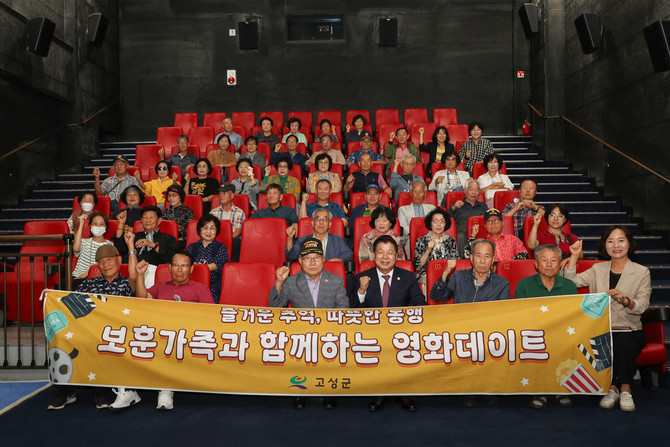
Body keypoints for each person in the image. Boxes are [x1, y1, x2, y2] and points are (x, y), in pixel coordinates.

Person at [564, 226, 651, 412]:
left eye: (621, 240)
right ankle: (612, 388)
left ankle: (624, 388)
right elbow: (570, 283)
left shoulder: (642, 272)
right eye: (610, 241)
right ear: (605, 245)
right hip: (601, 327)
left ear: (629, 243)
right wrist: (574, 257)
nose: (616, 245)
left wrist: (626, 300)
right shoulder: (597, 269)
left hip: (629, 328)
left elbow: (643, 305)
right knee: (603, 339)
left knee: (623, 342)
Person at [114, 251, 215, 412]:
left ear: (191, 268)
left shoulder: (200, 289)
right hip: (157, 333)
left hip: (185, 336)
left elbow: (211, 317)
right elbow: (142, 299)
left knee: (168, 342)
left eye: (184, 265)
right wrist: (140, 275)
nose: (179, 269)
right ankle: (128, 390)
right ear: (169, 267)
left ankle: (165, 390)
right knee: (125, 339)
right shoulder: (161, 286)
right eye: (176, 265)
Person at [48, 241, 137, 410]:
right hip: (89, 330)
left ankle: (101, 392)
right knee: (61, 339)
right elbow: (70, 304)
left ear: (118, 260)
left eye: (109, 260)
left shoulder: (127, 283)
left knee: (100, 342)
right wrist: (52, 297)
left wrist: (131, 247)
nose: (106, 264)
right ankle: (65, 391)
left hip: (117, 332)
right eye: (101, 262)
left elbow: (134, 278)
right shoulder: (89, 284)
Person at [270, 237, 348, 409]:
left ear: (324, 259)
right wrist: (279, 282)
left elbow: (343, 310)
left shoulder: (336, 281)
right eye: (307, 258)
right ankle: (300, 390)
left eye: (317, 257)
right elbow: (275, 309)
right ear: (300, 261)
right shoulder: (291, 282)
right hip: (301, 334)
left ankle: (328, 390)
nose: (312, 263)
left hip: (328, 333)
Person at [350, 235, 424, 412]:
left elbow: (420, 304)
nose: (385, 257)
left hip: (401, 330)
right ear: (373, 255)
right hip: (371, 331)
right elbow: (352, 310)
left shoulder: (408, 277)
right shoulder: (361, 277)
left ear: (396, 255)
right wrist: (361, 290)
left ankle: (404, 392)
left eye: (390, 252)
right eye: (380, 252)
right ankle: (379, 392)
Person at [514, 244, 578, 410]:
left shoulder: (569, 286)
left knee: (569, 341)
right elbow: (519, 316)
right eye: (544, 260)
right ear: (536, 264)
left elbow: (573, 317)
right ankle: (539, 389)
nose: (549, 264)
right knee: (534, 343)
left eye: (553, 260)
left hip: (561, 333)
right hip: (533, 333)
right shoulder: (524, 285)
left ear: (560, 264)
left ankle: (561, 388)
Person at [113, 205, 178, 287]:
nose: (147, 220)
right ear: (141, 220)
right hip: (135, 272)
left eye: (151, 217)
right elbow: (119, 247)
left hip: (156, 273)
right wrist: (121, 224)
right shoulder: (135, 236)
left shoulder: (168, 238)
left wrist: (152, 245)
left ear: (159, 220)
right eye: (144, 217)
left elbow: (172, 257)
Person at [430, 239, 510, 303]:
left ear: (492, 260)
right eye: (478, 256)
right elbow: (437, 296)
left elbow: (503, 313)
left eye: (487, 256)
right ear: (471, 258)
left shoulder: (502, 284)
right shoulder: (458, 277)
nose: (482, 261)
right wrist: (446, 272)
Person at [186, 215, 228, 304]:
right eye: (205, 228)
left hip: (212, 284)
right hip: (192, 282)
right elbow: (185, 264)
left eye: (212, 228)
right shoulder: (192, 247)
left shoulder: (221, 247)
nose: (208, 231)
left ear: (216, 231)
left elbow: (217, 265)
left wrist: (198, 268)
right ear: (199, 230)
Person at [286, 209, 352, 262]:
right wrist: (290, 238)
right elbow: (291, 256)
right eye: (318, 219)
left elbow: (348, 254)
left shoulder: (337, 239)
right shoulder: (303, 240)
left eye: (325, 219)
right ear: (312, 223)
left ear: (329, 224)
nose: (321, 222)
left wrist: (340, 259)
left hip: (331, 271)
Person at [413, 208, 458, 286]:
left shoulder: (451, 241)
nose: (438, 224)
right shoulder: (421, 241)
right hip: (427, 275)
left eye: (441, 221)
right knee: (429, 281)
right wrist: (428, 250)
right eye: (435, 221)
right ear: (430, 223)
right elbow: (418, 266)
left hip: (447, 274)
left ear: (445, 224)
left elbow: (455, 261)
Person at [464, 209, 529, 262]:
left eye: (496, 220)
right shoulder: (482, 243)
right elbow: (467, 256)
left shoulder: (513, 239)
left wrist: (511, 261)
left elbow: (525, 255)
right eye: (489, 221)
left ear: (502, 223)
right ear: (485, 226)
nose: (493, 224)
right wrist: (473, 235)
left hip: (510, 270)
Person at [71, 211, 113, 288]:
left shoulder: (109, 245)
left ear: (106, 227)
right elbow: (76, 248)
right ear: (90, 226)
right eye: (95, 224)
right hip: (77, 277)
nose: (98, 227)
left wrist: (84, 275)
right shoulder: (84, 241)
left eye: (101, 224)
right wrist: (81, 224)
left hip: (96, 279)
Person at [447, 179, 488, 257]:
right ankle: (461, 260)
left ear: (479, 192)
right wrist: (454, 208)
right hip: (462, 238)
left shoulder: (483, 206)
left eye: (477, 190)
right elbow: (445, 220)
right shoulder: (457, 205)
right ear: (465, 191)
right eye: (471, 189)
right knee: (460, 236)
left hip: (479, 236)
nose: (474, 192)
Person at [209, 183, 245, 261]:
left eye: (224, 193)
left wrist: (225, 240)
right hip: (216, 240)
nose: (221, 196)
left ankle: (234, 263)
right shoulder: (213, 213)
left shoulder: (239, 212)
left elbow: (237, 232)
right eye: (220, 193)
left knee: (236, 241)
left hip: (232, 240)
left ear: (232, 196)